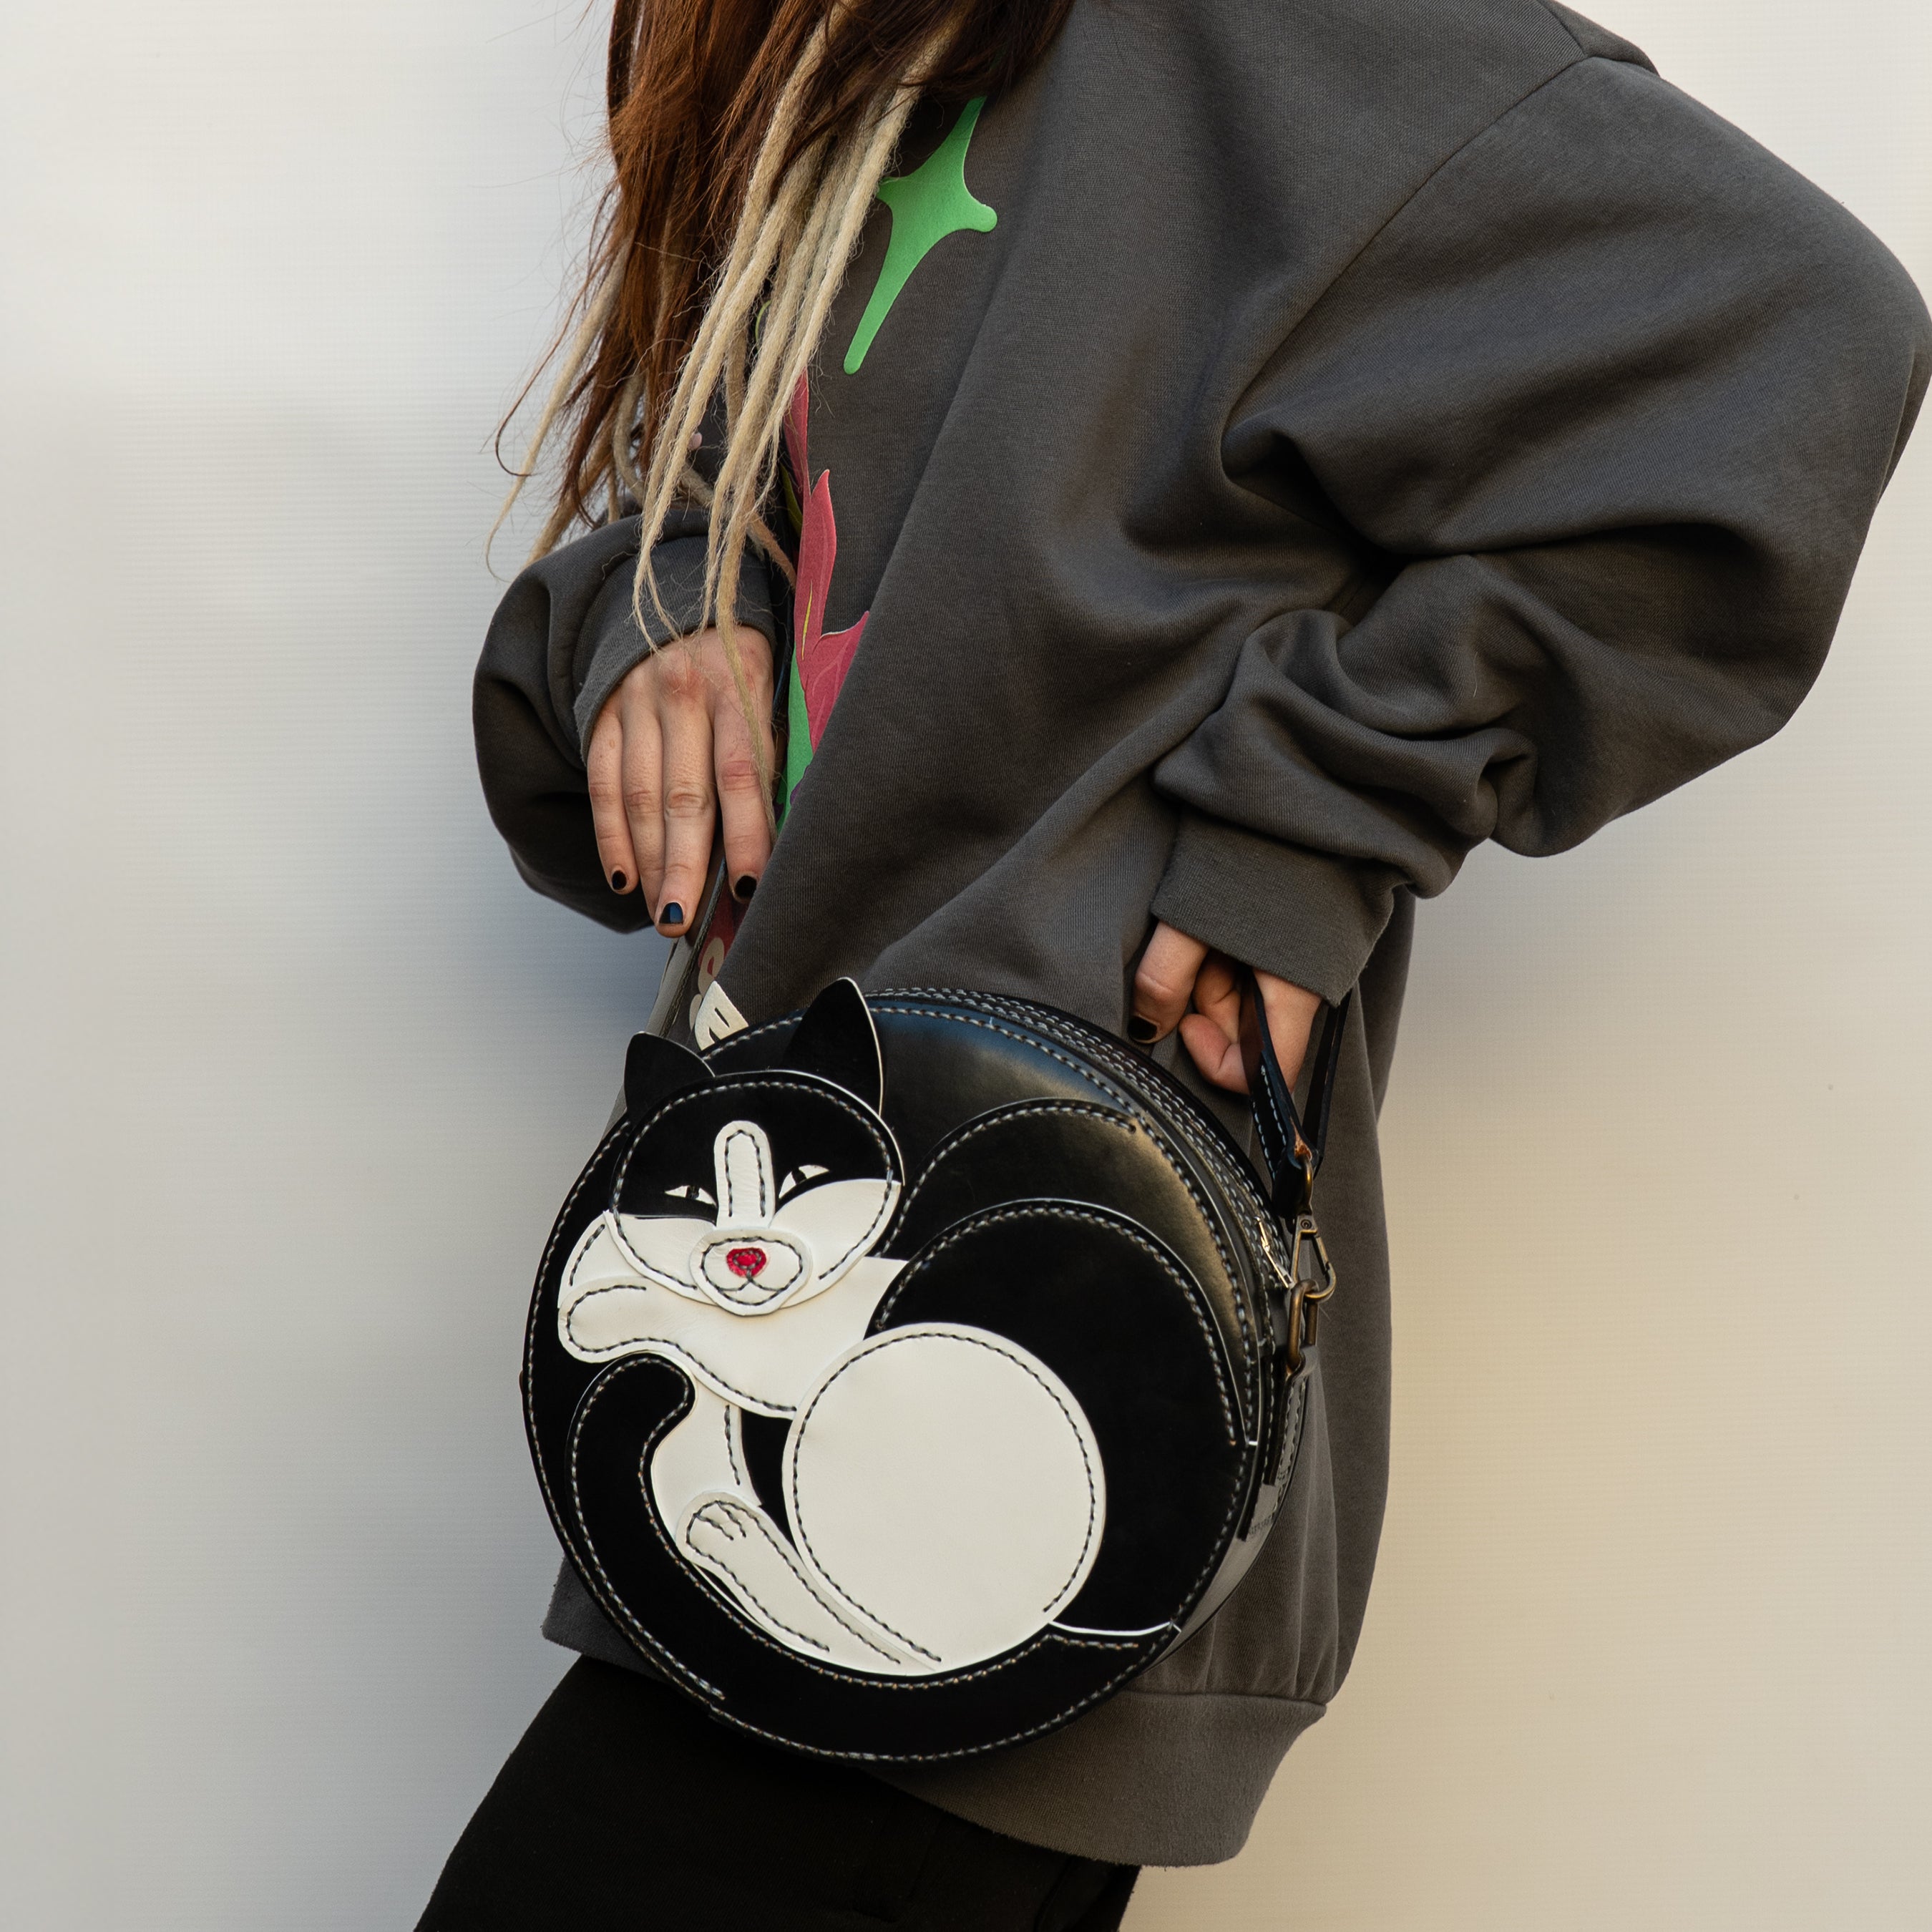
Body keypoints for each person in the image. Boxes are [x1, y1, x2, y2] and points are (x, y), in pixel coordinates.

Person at [424, 0, 1929, 1924]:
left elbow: (1798, 326)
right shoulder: (837, 61)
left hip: (1019, 1343)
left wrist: (1308, 814)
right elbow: (752, 569)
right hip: (788, 1292)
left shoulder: (1247, 30)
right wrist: (664, 611)